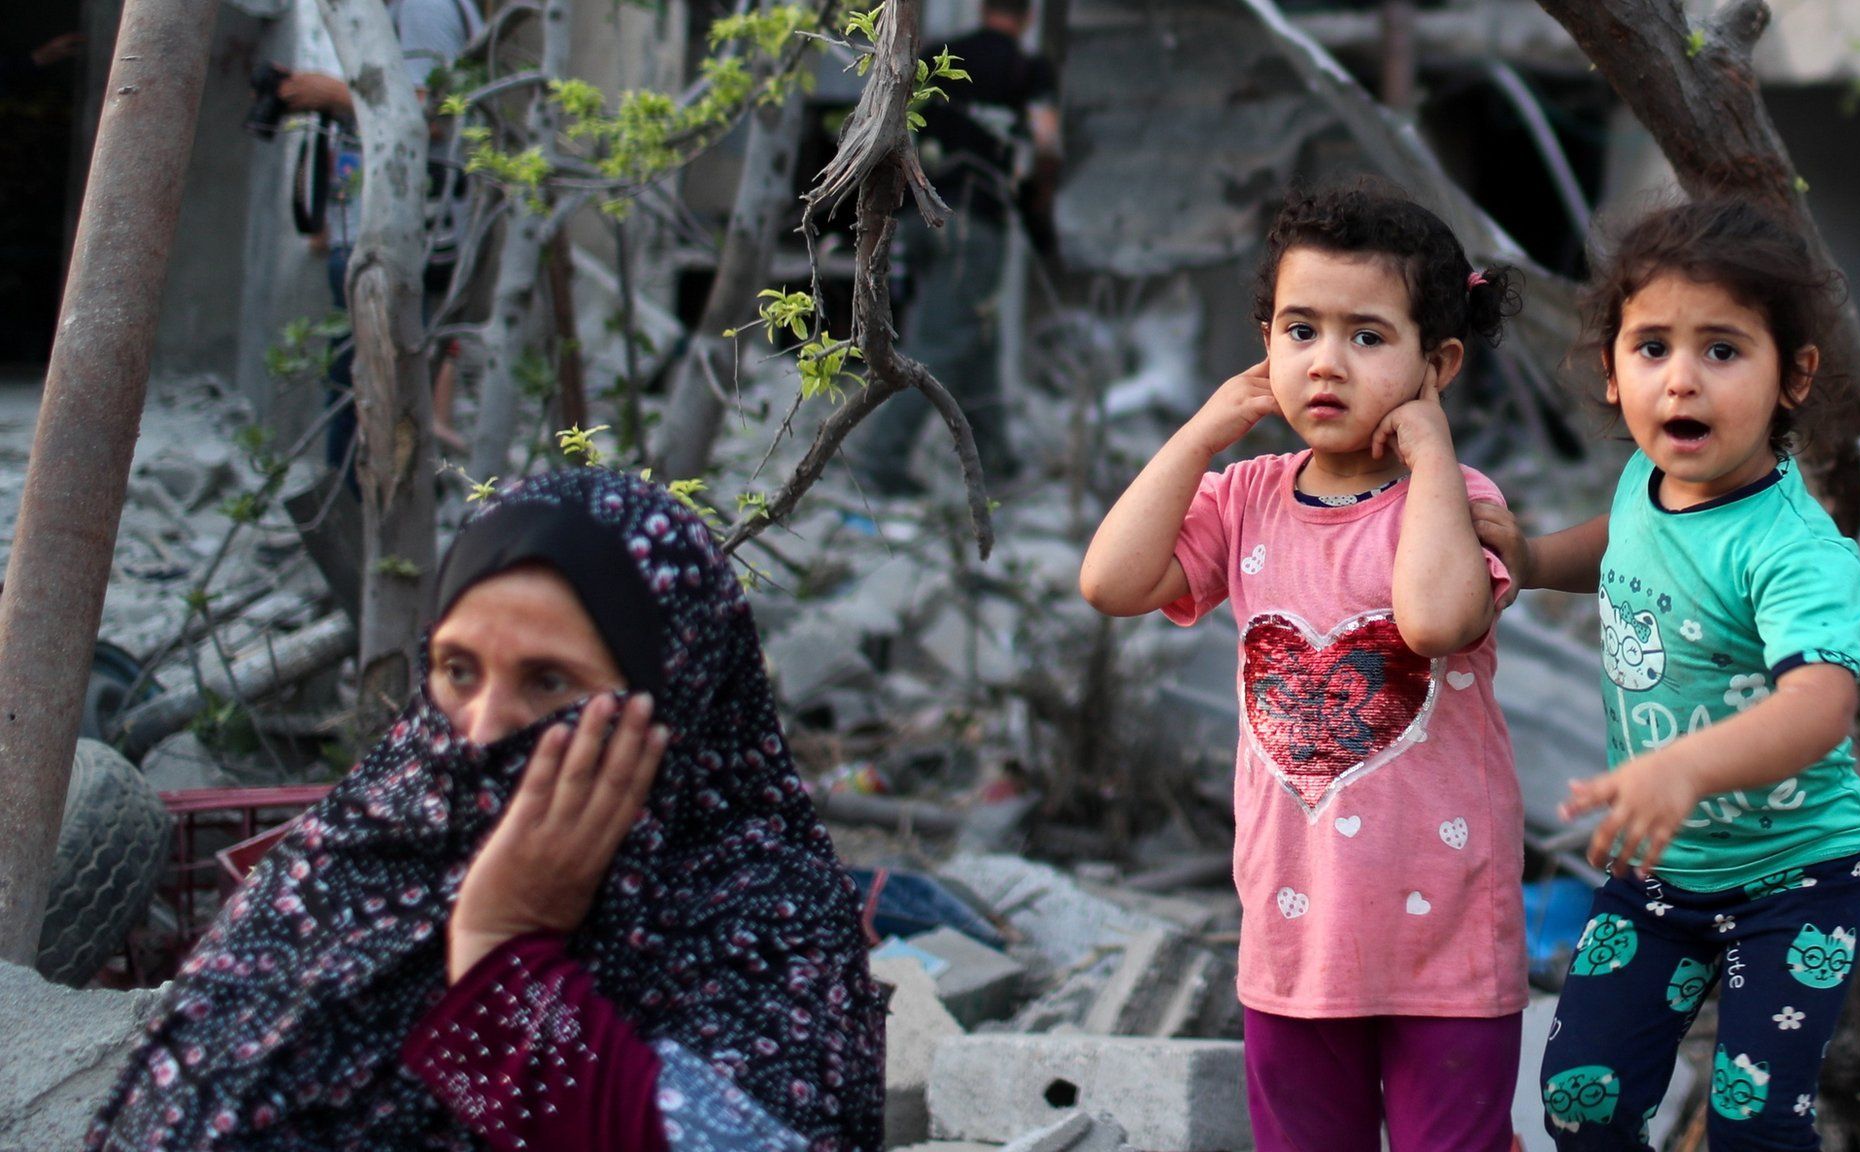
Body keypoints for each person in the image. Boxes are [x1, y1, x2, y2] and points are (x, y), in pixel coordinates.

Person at [89, 467, 886, 1152]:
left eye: (549, 683)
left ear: (673, 698)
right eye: (458, 670)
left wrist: (501, 954)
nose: (483, 729)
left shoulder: (765, 919)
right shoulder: (360, 857)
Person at [1080, 178, 1527, 1150]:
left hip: (1444, 941)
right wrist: (1202, 431)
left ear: (1434, 363)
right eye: (1298, 330)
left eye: (1366, 337)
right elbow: (1111, 582)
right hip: (1293, 938)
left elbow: (1438, 619)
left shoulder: (1450, 503)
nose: (1325, 362)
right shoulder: (1242, 496)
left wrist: (1433, 457)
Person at [1472, 199, 1860, 1151]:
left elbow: (1820, 704)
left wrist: (1688, 767)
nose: (1681, 380)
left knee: (1752, 1126)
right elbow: (1626, 545)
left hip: (1796, 883)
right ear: (1613, 373)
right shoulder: (1647, 484)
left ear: (1795, 377)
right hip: (1660, 877)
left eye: (1723, 350)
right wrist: (1532, 560)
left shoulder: (1795, 553)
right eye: (1652, 347)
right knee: (1581, 1098)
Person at [850, 0, 1059, 496]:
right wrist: (1038, 217)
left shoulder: (946, 55)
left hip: (921, 216)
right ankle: (879, 461)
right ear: (1027, 18)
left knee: (976, 338)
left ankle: (996, 461)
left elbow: (890, 127)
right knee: (942, 340)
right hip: (976, 226)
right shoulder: (1026, 69)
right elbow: (1046, 144)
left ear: (982, 9)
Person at [280, 0, 479, 463]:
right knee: (359, 392)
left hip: (404, 238)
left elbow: (430, 114)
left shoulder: (424, 9)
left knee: (373, 400)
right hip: (374, 229)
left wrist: (328, 94)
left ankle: (364, 530)